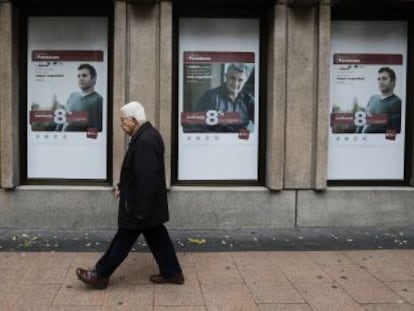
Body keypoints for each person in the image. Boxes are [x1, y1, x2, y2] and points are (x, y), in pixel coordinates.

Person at [76, 101, 184, 289]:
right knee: (156, 235)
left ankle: (100, 275)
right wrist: (122, 185)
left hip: (138, 205)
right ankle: (172, 272)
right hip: (146, 204)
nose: (121, 124)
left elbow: (146, 177)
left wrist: (139, 210)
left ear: (133, 120)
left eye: (123, 120)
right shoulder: (146, 136)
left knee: (123, 238)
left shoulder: (145, 141)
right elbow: (136, 172)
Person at [195, 63, 255, 133]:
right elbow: (199, 126)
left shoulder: (248, 100)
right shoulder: (211, 97)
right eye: (232, 78)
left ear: (245, 81)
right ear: (226, 76)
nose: (235, 83)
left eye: (240, 80)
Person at [59, 63, 103, 132]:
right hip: (64, 139)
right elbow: (62, 120)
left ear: (94, 78)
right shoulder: (72, 96)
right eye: (78, 76)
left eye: (84, 75)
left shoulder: (99, 100)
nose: (81, 78)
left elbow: (98, 128)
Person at [360, 67, 401, 133]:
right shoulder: (372, 98)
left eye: (384, 79)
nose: (380, 82)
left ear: (393, 82)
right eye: (379, 79)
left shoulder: (397, 103)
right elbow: (362, 122)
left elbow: (394, 131)